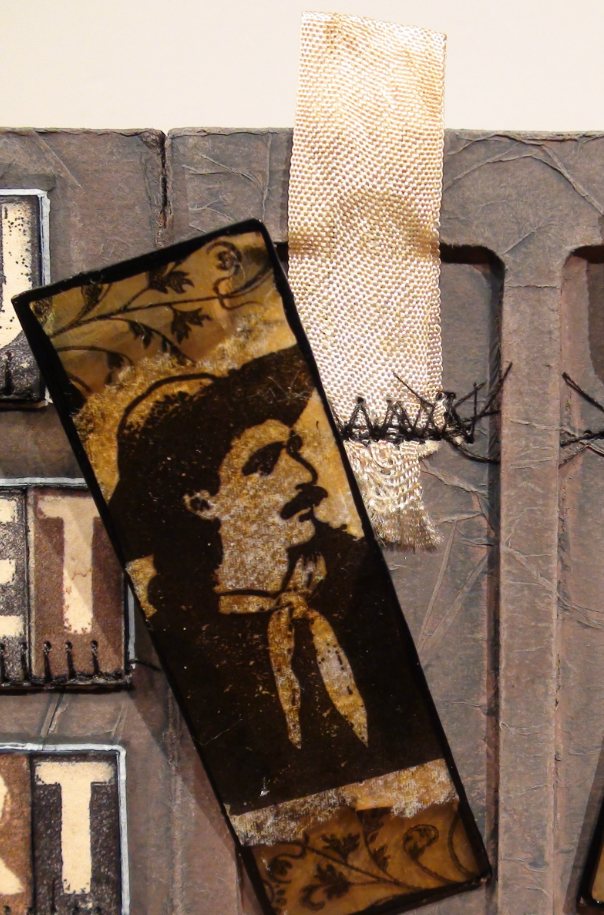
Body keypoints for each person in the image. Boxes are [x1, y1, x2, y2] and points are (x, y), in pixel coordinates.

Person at [107, 346, 443, 819]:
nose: (305, 474)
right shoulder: (181, 655)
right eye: (265, 462)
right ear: (202, 503)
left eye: (295, 450)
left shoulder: (367, 592)